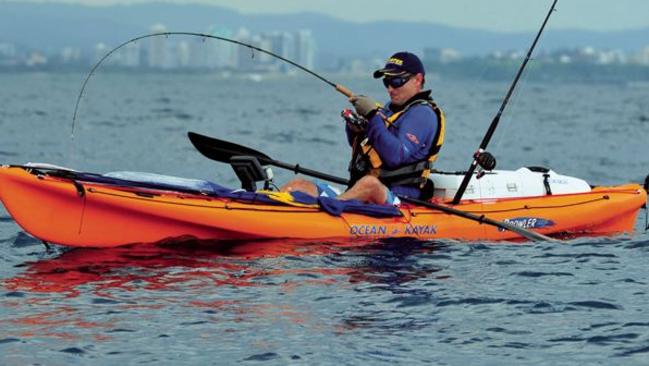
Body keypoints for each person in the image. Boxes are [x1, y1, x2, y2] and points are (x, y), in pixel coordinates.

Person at [281, 51, 493, 205]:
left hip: (399, 200)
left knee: (370, 184)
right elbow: (369, 151)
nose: (391, 88)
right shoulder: (389, 111)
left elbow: (395, 156)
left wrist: (372, 116)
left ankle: (329, 208)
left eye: (397, 81)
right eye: (387, 83)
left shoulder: (423, 114)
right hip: (361, 193)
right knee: (299, 185)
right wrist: (356, 129)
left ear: (418, 80)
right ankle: (267, 205)